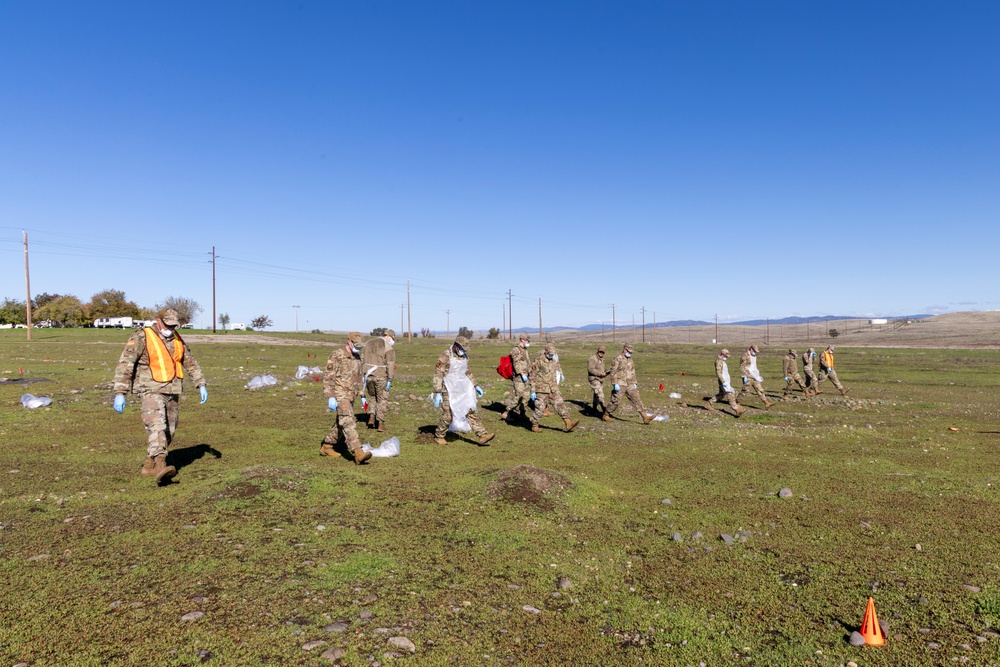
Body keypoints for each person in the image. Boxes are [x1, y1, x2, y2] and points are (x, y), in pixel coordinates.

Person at [112, 308, 208, 484]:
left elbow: (190, 361)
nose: (170, 329)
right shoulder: (141, 336)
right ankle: (161, 466)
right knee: (157, 426)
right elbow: (126, 364)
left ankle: (149, 466)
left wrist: (201, 383)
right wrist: (120, 392)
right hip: (150, 389)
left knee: (168, 430)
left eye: (174, 326)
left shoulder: (177, 338)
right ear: (158, 321)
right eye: (167, 325)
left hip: (172, 390)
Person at [432, 336, 495, 446]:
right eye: (462, 348)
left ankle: (482, 434)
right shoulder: (446, 355)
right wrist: (437, 392)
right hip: (447, 388)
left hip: (462, 388)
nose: (463, 351)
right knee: (448, 414)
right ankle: (439, 435)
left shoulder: (465, 357)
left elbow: (468, 372)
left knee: (469, 410)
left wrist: (476, 385)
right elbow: (438, 373)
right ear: (456, 346)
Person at [320, 332, 371, 464]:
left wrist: (362, 396)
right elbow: (328, 376)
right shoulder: (337, 355)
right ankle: (358, 452)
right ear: (349, 342)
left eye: (360, 347)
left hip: (351, 395)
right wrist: (330, 396)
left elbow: (359, 378)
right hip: (340, 394)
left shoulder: (357, 357)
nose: (358, 348)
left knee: (341, 422)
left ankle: (327, 446)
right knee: (348, 421)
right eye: (356, 346)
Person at [529, 342, 580, 433]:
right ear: (545, 351)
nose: (551, 356)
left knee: (560, 404)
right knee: (540, 409)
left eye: (552, 354)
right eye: (549, 354)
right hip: (542, 389)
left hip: (553, 388)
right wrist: (532, 390)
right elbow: (532, 376)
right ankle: (534, 425)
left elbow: (556, 369)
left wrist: (561, 374)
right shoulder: (538, 361)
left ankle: (568, 423)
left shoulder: (553, 360)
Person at [603, 343, 654, 424]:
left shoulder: (630, 360)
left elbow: (632, 371)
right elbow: (613, 371)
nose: (630, 354)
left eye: (631, 353)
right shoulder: (617, 358)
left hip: (629, 383)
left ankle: (645, 417)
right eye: (629, 352)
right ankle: (606, 415)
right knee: (616, 401)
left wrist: (635, 382)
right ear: (624, 350)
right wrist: (614, 383)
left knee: (636, 398)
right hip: (620, 383)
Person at [362, 329, 396, 432]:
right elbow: (390, 364)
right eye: (393, 338)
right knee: (382, 399)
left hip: (368, 376)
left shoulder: (368, 343)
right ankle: (380, 423)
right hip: (381, 376)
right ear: (388, 337)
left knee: (373, 397)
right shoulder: (388, 347)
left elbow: (362, 359)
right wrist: (390, 378)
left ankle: (371, 417)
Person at [500, 334, 532, 423]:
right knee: (519, 396)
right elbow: (516, 363)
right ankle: (507, 412)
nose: (528, 343)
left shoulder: (524, 350)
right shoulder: (516, 350)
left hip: (526, 376)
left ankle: (522, 413)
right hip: (519, 377)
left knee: (526, 397)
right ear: (522, 340)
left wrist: (530, 372)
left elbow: (527, 362)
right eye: (527, 341)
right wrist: (521, 373)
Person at [704, 348, 743, 417]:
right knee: (729, 395)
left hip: (725, 381)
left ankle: (708, 404)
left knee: (721, 395)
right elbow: (718, 372)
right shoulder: (718, 361)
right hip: (723, 381)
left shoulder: (722, 361)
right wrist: (723, 381)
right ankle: (737, 410)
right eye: (726, 356)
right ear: (722, 354)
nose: (727, 357)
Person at [738, 344, 774, 409]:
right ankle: (737, 402)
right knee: (745, 390)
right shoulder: (745, 355)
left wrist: (758, 375)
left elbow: (754, 366)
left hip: (755, 376)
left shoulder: (754, 356)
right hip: (748, 376)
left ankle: (766, 403)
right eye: (754, 351)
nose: (755, 352)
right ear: (751, 349)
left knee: (760, 389)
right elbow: (742, 366)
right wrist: (744, 376)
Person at [587, 345, 609, 415]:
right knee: (600, 393)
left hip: (600, 379)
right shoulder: (593, 359)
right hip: (594, 379)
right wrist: (600, 373)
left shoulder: (602, 359)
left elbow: (602, 368)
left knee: (596, 394)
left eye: (603, 352)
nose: (601, 353)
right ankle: (604, 410)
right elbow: (590, 369)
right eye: (600, 352)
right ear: (598, 351)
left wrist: (606, 372)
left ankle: (594, 408)